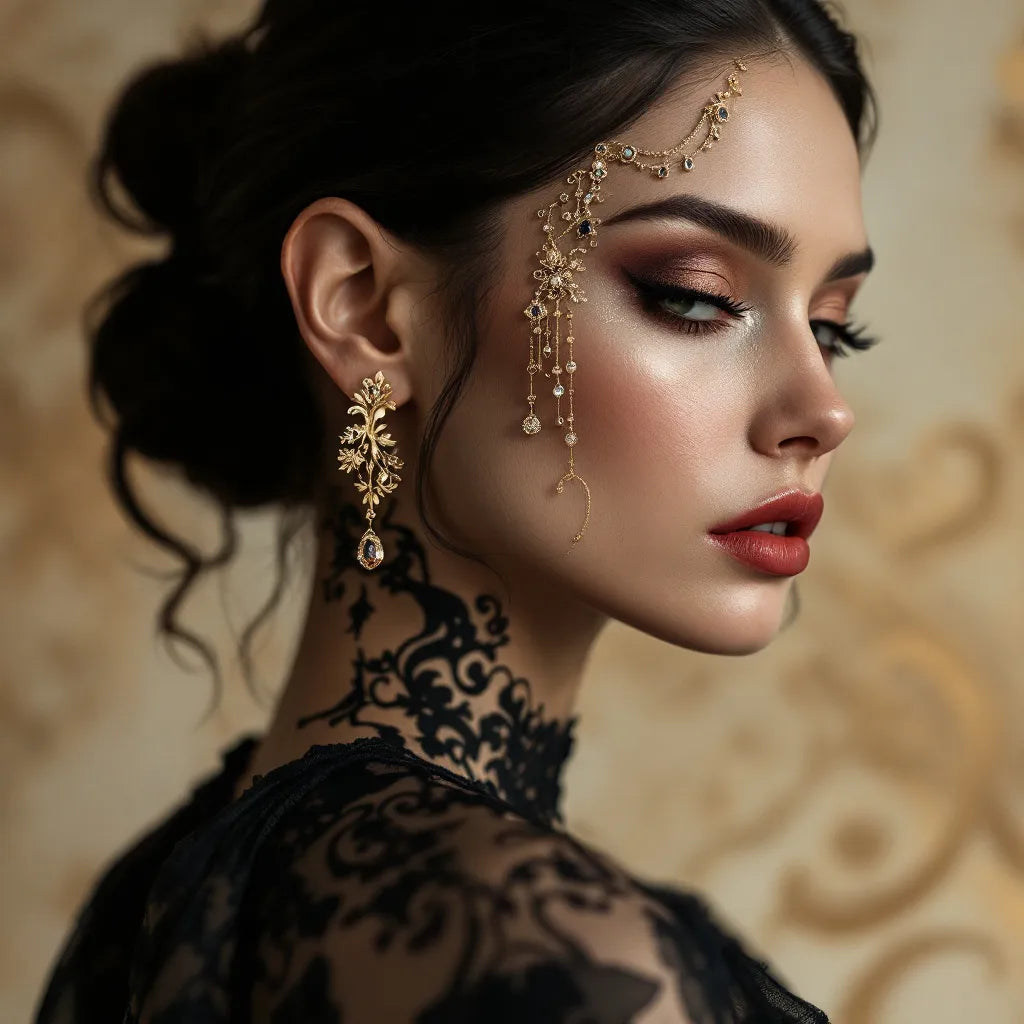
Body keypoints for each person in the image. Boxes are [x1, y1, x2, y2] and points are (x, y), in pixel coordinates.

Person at [34, 0, 880, 1020]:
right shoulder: (543, 949)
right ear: (364, 305)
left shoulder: (158, 905)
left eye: (834, 327)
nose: (820, 409)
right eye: (693, 294)